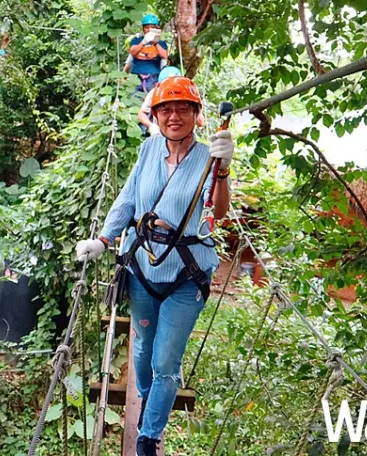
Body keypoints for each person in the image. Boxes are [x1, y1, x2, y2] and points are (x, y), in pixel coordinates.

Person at [74, 77, 235, 456]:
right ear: (156, 116)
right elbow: (129, 198)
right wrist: (102, 239)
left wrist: (224, 169)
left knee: (166, 360)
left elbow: (220, 212)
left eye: (183, 108)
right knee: (143, 345)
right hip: (143, 268)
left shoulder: (210, 157)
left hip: (186, 273)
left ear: (197, 115)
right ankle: (146, 398)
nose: (174, 116)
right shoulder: (148, 151)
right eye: (166, 109)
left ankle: (148, 436)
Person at [138, 66, 205, 136]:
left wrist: (196, 110)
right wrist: (151, 126)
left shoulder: (188, 94)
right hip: (161, 133)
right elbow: (141, 114)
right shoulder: (155, 93)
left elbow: (200, 123)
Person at [128, 14, 168, 92]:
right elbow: (132, 52)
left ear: (157, 28)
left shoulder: (161, 43)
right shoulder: (136, 40)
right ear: (143, 29)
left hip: (153, 77)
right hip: (136, 76)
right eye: (146, 27)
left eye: (152, 27)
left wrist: (155, 43)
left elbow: (164, 55)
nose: (149, 30)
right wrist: (143, 42)